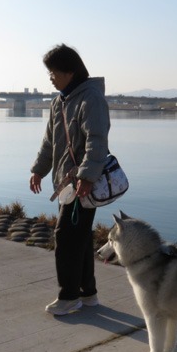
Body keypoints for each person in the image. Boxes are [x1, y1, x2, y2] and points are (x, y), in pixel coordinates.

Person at [30, 44, 110, 315]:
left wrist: (86, 177)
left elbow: (96, 142)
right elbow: (49, 142)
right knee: (80, 238)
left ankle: (68, 297)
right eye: (49, 72)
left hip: (80, 183)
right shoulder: (60, 101)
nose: (50, 77)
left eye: (54, 71)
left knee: (65, 236)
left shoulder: (90, 98)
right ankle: (88, 294)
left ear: (70, 71)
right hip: (65, 184)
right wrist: (38, 170)